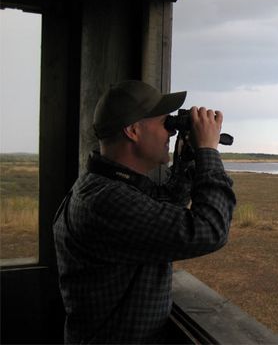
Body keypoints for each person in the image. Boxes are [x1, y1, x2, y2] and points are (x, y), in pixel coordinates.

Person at [53, 80, 236, 344]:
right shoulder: (106, 200)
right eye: (166, 124)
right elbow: (210, 230)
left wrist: (186, 160)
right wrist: (208, 152)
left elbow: (163, 208)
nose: (171, 134)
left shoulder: (106, 185)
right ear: (133, 130)